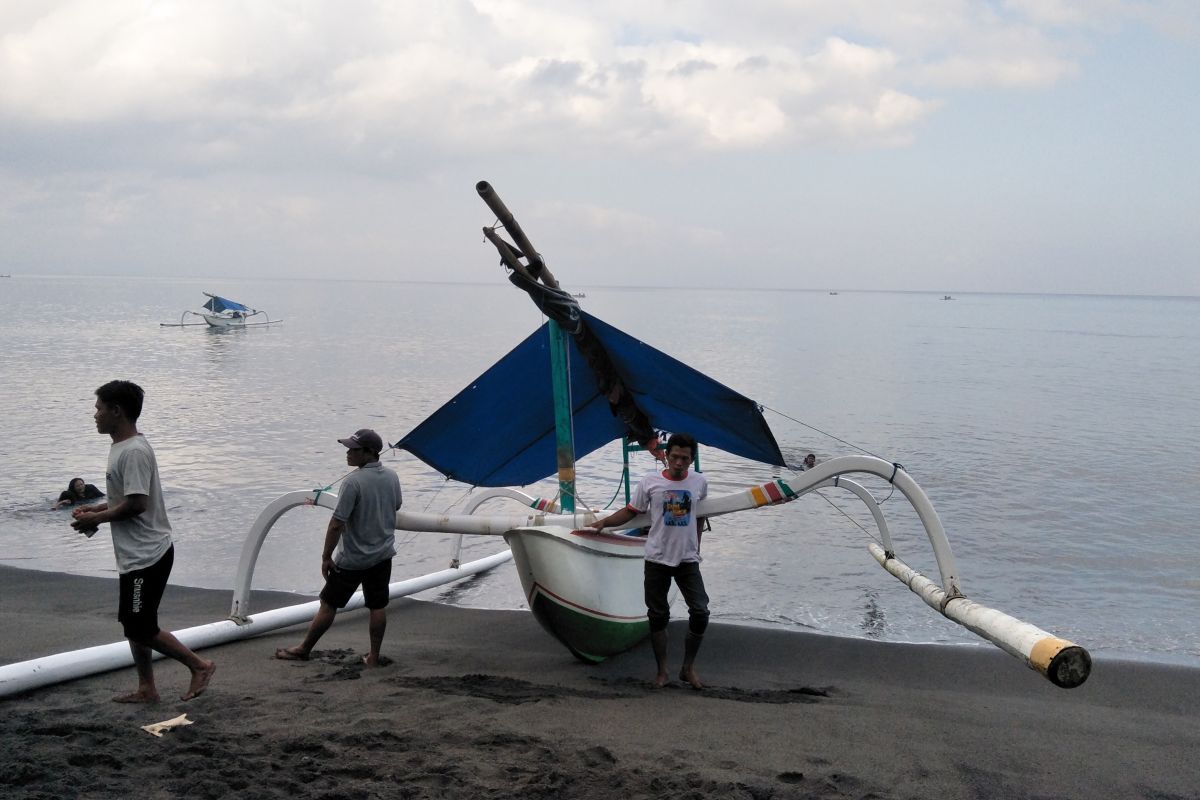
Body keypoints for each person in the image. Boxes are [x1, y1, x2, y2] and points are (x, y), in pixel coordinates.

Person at [71, 380, 216, 703]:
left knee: (139, 626)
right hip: (135, 554)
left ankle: (200, 666)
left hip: (148, 554)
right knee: (133, 623)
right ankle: (146, 688)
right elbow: (126, 497)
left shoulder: (134, 451)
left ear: (116, 411)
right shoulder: (121, 447)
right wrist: (98, 508)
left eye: (99, 408)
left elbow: (138, 504)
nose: (94, 414)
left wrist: (97, 519)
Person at [589, 431, 709, 689]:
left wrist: (696, 544)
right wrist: (605, 524)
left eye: (685, 459)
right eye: (675, 457)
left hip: (688, 560)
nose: (679, 463)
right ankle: (662, 671)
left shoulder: (699, 482)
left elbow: (700, 514)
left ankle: (688, 668)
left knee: (700, 611)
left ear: (692, 460)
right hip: (657, 558)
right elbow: (631, 512)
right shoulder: (650, 483)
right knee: (658, 616)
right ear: (666, 456)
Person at [275, 429, 403, 667]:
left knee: (329, 604)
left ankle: (304, 649)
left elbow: (336, 523)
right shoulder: (392, 476)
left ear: (369, 453)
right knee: (377, 606)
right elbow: (396, 505)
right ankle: (374, 657)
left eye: (353, 449)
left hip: (352, 559)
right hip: (383, 555)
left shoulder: (352, 482)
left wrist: (325, 556)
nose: (348, 453)